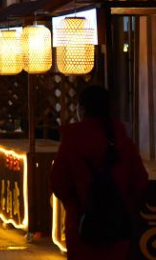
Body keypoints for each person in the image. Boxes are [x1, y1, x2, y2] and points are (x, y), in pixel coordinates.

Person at [51, 85, 148, 260]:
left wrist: (75, 205)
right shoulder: (121, 138)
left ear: (82, 109)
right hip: (118, 228)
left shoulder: (73, 139)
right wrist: (124, 205)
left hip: (83, 228)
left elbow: (59, 184)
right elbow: (140, 180)